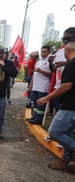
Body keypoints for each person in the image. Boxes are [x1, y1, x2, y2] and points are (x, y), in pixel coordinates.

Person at [37, 38, 75, 174]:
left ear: (67, 51)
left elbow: (66, 86)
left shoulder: (72, 64)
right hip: (70, 106)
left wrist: (47, 98)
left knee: (55, 132)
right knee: (67, 133)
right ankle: (66, 162)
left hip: (70, 106)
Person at [27, 45, 51, 125]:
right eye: (42, 52)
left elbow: (52, 74)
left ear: (49, 52)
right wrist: (31, 85)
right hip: (35, 86)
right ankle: (34, 117)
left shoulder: (50, 62)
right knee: (35, 103)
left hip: (43, 87)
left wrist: (41, 71)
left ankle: (39, 119)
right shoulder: (38, 62)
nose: (43, 53)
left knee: (41, 104)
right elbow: (34, 74)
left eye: (45, 52)